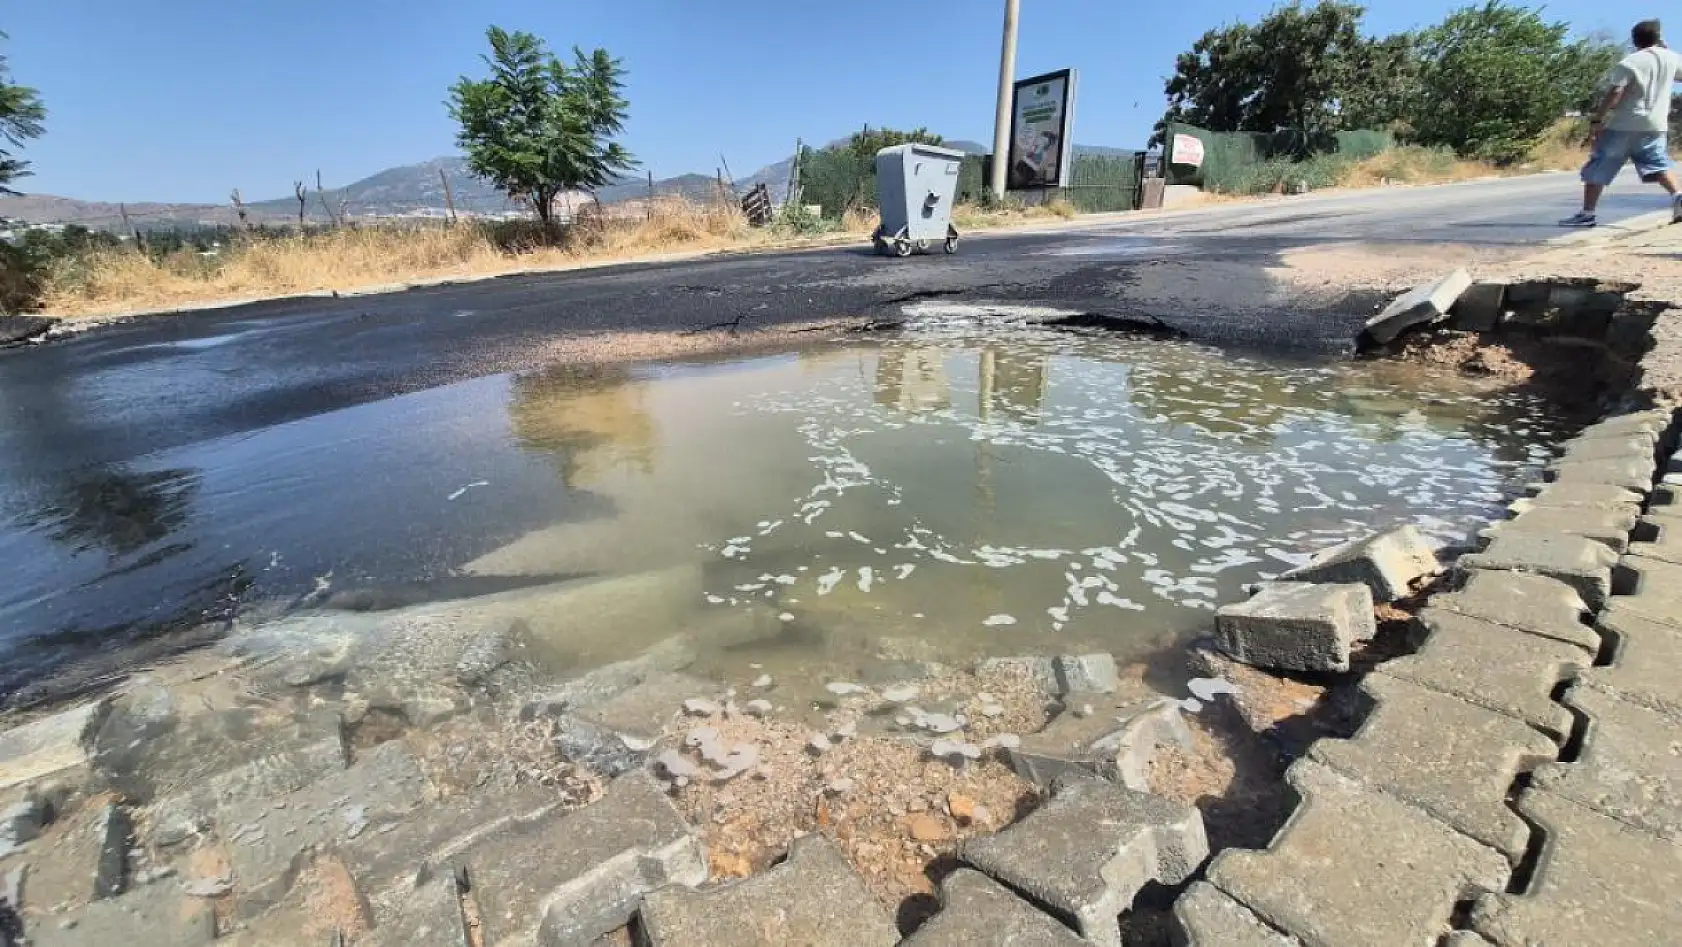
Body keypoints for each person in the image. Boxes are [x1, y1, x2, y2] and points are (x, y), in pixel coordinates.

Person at [1561, 19, 1682, 227]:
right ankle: (1678, 196)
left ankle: (1587, 213)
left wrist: (1598, 119)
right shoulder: (1673, 59)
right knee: (1658, 164)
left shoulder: (1630, 62)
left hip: (1624, 123)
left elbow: (1616, 91)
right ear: (1658, 38)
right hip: (1655, 125)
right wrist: (1667, 52)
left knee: (1600, 164)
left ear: (1635, 40)